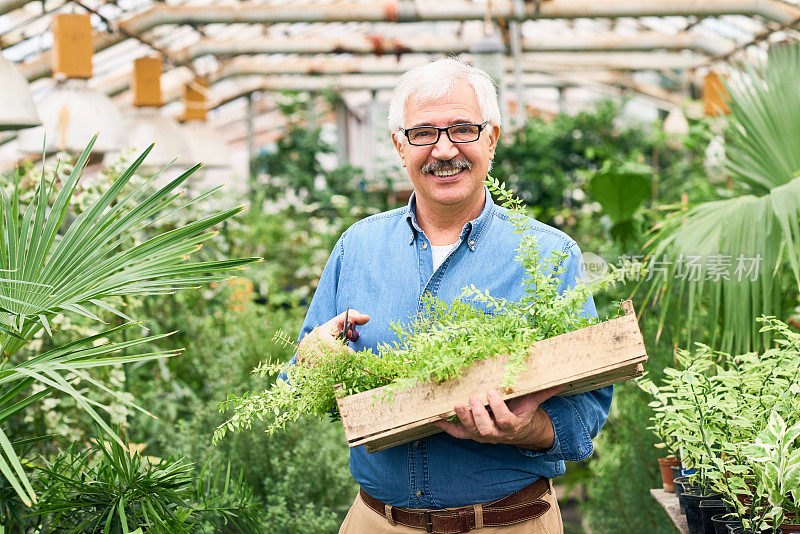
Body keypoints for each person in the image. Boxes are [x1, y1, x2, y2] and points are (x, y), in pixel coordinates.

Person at [296, 57, 613, 534]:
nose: (444, 150)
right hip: (376, 522)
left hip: (510, 523)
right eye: (423, 133)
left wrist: (524, 430)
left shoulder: (548, 255)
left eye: (463, 128)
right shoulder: (357, 247)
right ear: (400, 147)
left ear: (491, 138)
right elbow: (298, 379)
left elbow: (588, 410)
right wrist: (310, 360)